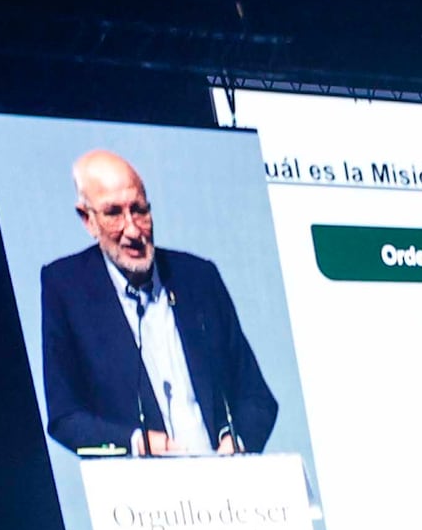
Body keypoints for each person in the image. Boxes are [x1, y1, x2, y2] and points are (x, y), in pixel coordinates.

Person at [32, 147, 279, 457]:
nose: (133, 230)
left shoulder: (198, 277)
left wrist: (237, 442)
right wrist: (138, 443)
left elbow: (257, 398)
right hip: (138, 495)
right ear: (88, 220)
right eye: (113, 213)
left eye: (139, 210)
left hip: (225, 484)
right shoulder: (65, 287)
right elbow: (66, 418)